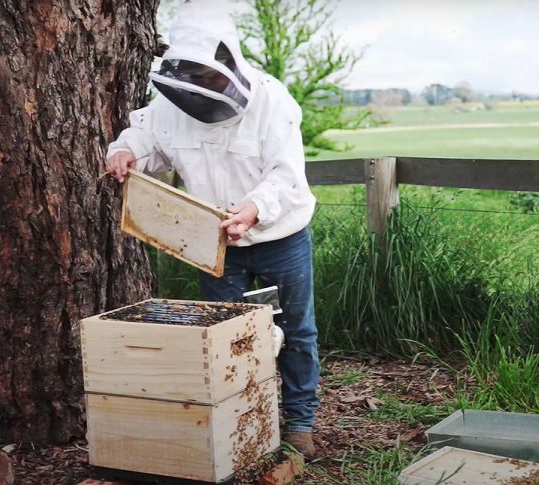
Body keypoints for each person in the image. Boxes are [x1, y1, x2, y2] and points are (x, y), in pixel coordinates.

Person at [104, 2, 319, 459]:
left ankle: (300, 422)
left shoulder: (273, 101)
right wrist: (125, 153)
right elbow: (145, 138)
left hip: (279, 236)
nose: (204, 91)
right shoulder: (173, 102)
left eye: (212, 80)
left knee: (295, 331)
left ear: (230, 64)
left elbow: (286, 173)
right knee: (224, 334)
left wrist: (253, 208)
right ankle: (238, 418)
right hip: (214, 241)